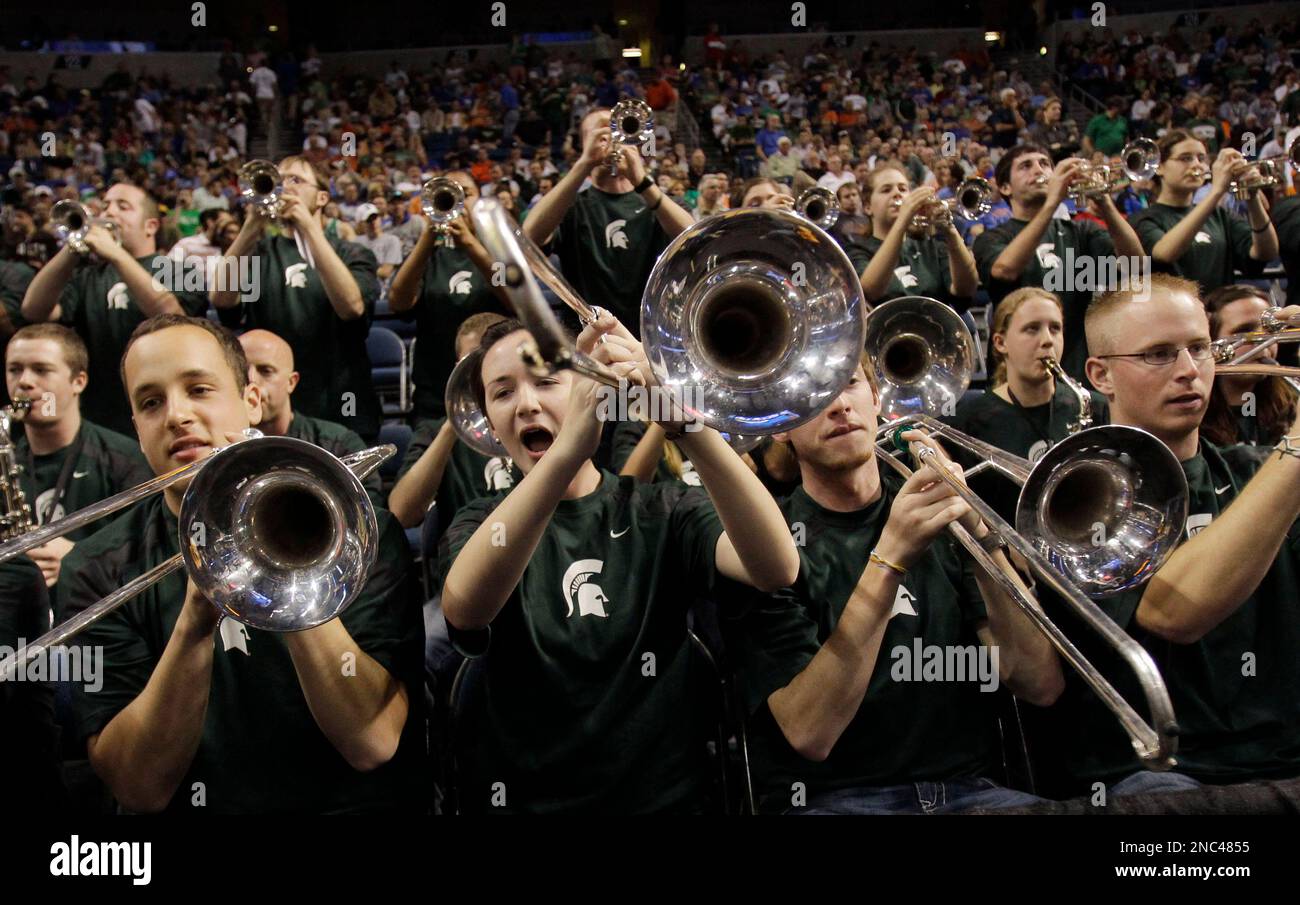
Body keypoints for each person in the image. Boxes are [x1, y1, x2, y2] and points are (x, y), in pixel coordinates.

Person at [60, 314, 423, 813]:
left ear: (251, 401)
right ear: (137, 432)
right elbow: (138, 788)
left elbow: (373, 742)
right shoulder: (94, 567)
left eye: (199, 389)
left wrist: (282, 556)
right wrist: (194, 624)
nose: (176, 415)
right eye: (150, 403)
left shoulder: (360, 532)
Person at [437, 314, 800, 812]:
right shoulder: (481, 521)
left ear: (591, 392)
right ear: (492, 427)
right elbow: (464, 611)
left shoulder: (660, 509)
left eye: (546, 382)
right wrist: (567, 451)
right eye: (502, 393)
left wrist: (680, 418)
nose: (526, 405)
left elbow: (777, 567)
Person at [720, 353, 1063, 814]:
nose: (839, 405)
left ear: (877, 398)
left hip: (975, 793)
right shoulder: (767, 551)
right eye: (816, 395)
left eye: (850, 385)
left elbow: (1040, 684)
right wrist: (890, 558)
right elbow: (810, 732)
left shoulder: (943, 517)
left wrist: (984, 542)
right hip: (837, 801)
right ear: (781, 424)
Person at [1043, 274, 1300, 797]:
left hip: (1284, 758)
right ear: (1100, 376)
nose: (1189, 371)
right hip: (1159, 778)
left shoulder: (1256, 468)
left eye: (1200, 348)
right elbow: (1174, 612)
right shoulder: (1070, 499)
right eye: (1158, 354)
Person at [209, 156, 383, 443]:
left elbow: (351, 308)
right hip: (274, 410)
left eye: (296, 180)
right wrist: (251, 226)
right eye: (278, 180)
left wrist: (309, 228)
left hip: (341, 401)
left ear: (322, 198)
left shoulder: (353, 253)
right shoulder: (259, 252)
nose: (283, 187)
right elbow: (222, 299)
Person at [20, 183, 209, 437]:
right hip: (98, 414)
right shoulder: (88, 276)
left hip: (165, 413)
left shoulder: (178, 270)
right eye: (106, 204)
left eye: (123, 206)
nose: (109, 212)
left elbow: (171, 318)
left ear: (150, 226)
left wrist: (115, 254)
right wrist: (73, 247)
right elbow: (33, 310)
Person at [974, 144, 1144, 382]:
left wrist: (1105, 203)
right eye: (1026, 166)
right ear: (1005, 187)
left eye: (1044, 164)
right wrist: (1052, 203)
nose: (1038, 170)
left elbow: (1135, 265)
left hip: (1079, 371)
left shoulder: (1082, 230)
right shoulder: (991, 238)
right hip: (1015, 378)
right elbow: (1004, 270)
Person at [522, 107, 694, 335]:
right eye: (601, 129)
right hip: (589, 336)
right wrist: (584, 164)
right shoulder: (571, 206)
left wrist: (641, 180)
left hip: (652, 336)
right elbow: (529, 237)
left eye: (616, 127)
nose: (611, 135)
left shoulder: (659, 202)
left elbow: (693, 237)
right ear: (585, 144)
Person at [945, 288, 1109, 522]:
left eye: (1055, 328)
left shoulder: (1095, 406)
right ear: (1001, 343)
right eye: (1032, 329)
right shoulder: (968, 421)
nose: (1047, 340)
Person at [388, 171, 510, 422]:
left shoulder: (499, 250)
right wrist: (427, 238)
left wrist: (468, 241)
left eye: (466, 194)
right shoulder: (426, 256)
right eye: (451, 195)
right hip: (435, 394)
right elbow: (398, 302)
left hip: (500, 388)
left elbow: (515, 297)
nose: (459, 203)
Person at [388, 312, 517, 531]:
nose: (485, 373)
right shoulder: (434, 430)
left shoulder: (536, 418)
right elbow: (402, 514)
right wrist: (451, 427)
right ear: (459, 368)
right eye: (474, 362)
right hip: (464, 547)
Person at [237, 328, 382, 507]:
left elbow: (370, 510)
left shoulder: (339, 443)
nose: (251, 380)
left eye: (266, 371)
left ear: (291, 382)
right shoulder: (220, 447)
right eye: (242, 371)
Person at [1131, 130, 1277, 296]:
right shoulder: (1143, 219)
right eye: (1185, 158)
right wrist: (1216, 191)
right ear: (1159, 167)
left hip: (1218, 317)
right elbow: (1165, 254)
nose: (1196, 165)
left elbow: (1266, 252)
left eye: (1201, 158)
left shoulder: (1220, 215)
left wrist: (1252, 197)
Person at [851, 164, 979, 310]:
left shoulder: (932, 246)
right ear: (867, 206)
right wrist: (903, 220)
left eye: (903, 189)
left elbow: (965, 291)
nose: (897, 193)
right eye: (886, 190)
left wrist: (949, 230)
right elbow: (869, 292)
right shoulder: (857, 250)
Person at [1199, 284, 1297, 448]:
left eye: (1271, 331)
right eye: (1245, 330)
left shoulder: (1291, 404)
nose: (1263, 341)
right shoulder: (1190, 414)